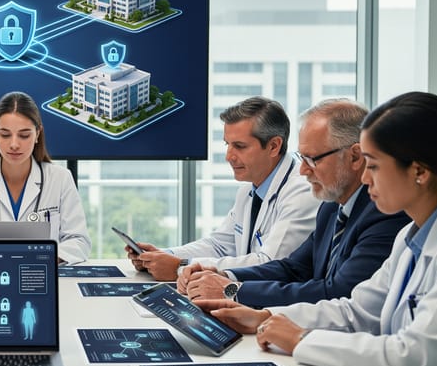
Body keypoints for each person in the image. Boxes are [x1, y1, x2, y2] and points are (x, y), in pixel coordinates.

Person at [197, 92, 437, 366]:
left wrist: (302, 339)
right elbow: (356, 312)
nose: (366, 178)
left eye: (375, 166)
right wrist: (263, 316)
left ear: (419, 172)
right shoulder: (408, 237)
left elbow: (416, 359)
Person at [178, 99, 410, 307]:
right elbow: (294, 268)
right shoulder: (331, 207)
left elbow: (339, 293)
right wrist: (226, 276)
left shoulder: (384, 214)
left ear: (355, 157)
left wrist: (232, 291)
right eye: (302, 157)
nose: (303, 170)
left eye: (313, 159)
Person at [128, 96, 318, 280]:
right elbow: (220, 245)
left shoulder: (302, 192)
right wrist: (162, 256)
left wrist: (180, 267)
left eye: (240, 146)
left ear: (274, 146)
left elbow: (270, 264)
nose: (229, 156)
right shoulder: (249, 190)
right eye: (228, 145)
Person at [0, 92, 90, 264]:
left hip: (39, 277)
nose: (14, 144)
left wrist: (39, 259)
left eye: (24, 135)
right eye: (5, 134)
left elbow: (79, 241)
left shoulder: (61, 178)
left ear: (38, 133)